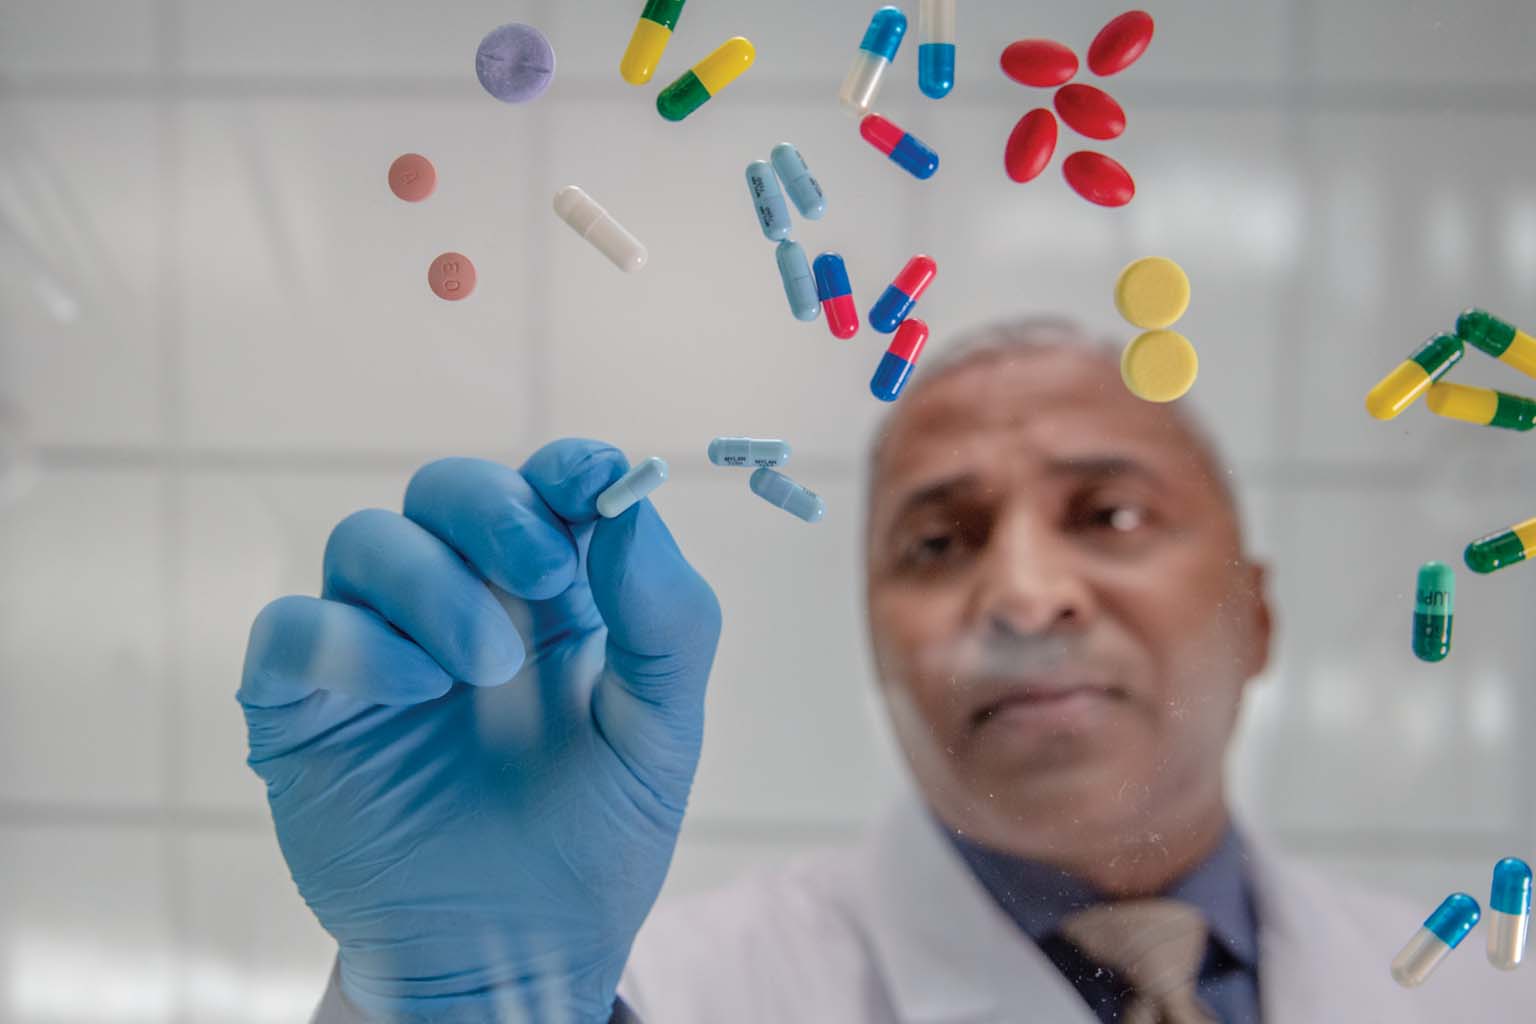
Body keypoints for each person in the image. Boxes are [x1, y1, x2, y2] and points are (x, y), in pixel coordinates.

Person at [240, 319, 1534, 1023]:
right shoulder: (669, 1001)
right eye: (939, 540)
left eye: (1112, 517)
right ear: (878, 643)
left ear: (1256, 617)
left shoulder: (1486, 990)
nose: (1025, 595)